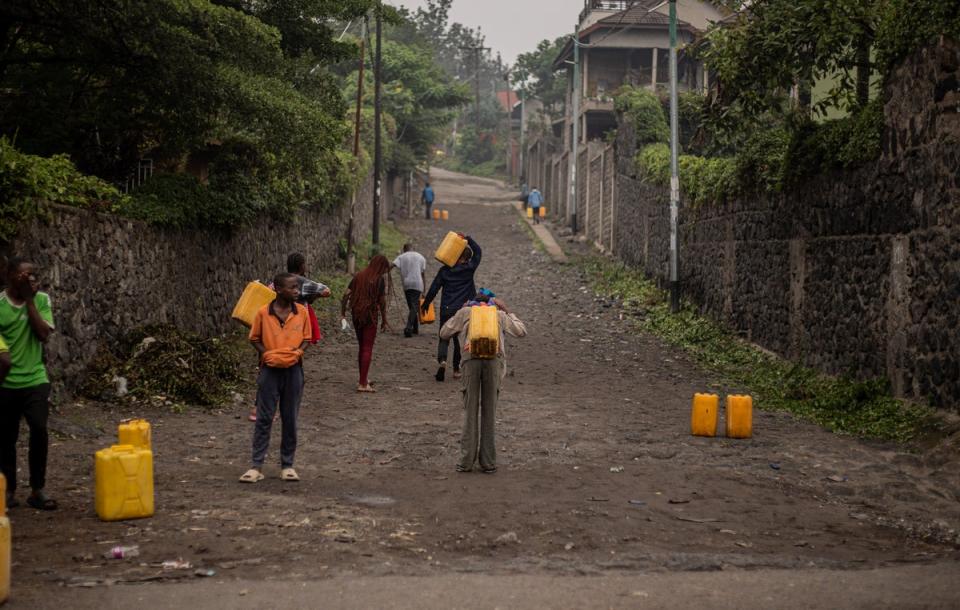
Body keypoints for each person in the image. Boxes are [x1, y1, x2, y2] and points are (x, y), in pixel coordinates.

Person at [439, 290, 526, 474]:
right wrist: (508, 311)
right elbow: (521, 331)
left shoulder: (465, 313)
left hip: (470, 361)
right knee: (489, 412)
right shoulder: (499, 314)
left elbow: (444, 333)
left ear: (473, 302)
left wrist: (460, 313)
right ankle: (488, 462)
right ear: (491, 302)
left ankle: (465, 462)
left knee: (470, 411)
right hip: (494, 361)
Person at [240, 273, 312, 483]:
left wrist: (298, 352)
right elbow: (254, 338)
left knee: (290, 418)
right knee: (264, 418)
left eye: (297, 287)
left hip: (293, 371)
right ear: (279, 290)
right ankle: (256, 466)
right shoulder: (263, 313)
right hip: (270, 371)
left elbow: (307, 338)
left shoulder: (302, 313)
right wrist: (266, 354)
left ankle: (287, 465)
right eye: (292, 287)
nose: (297, 291)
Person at [0, 257, 57, 510]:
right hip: (6, 383)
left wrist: (30, 300)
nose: (31, 280)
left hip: (35, 378)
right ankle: (8, 489)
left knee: (39, 429)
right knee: (6, 438)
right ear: (10, 276)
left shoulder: (41, 300)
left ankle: (37, 489)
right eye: (25, 276)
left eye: (34, 275)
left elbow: (43, 334)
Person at [248, 253, 330, 422]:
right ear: (301, 266)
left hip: (270, 332)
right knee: (287, 371)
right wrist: (311, 296)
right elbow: (326, 291)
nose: (294, 291)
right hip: (292, 332)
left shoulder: (278, 282)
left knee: (266, 369)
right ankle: (278, 409)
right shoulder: (303, 283)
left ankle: (258, 408)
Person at [422, 235, 482, 382]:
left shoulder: (444, 271)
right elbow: (478, 252)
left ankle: (442, 361)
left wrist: (426, 303)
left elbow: (434, 288)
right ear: (467, 258)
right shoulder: (469, 268)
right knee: (458, 341)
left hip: (446, 308)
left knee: (444, 337)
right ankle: (456, 370)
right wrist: (468, 239)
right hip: (462, 310)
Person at [341, 255, 391, 393]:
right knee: (367, 348)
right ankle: (363, 384)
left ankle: (363, 378)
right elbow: (382, 302)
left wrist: (343, 312)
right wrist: (384, 319)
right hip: (370, 316)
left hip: (356, 315)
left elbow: (346, 294)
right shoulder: (379, 280)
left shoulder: (359, 275)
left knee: (362, 347)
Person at [392, 244, 427, 338]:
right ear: (413, 249)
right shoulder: (421, 257)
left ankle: (411, 328)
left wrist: (381, 271)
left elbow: (391, 265)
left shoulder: (402, 256)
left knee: (412, 306)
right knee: (414, 307)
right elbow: (423, 275)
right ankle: (411, 328)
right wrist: (424, 290)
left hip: (407, 284)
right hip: (418, 284)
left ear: (404, 250)